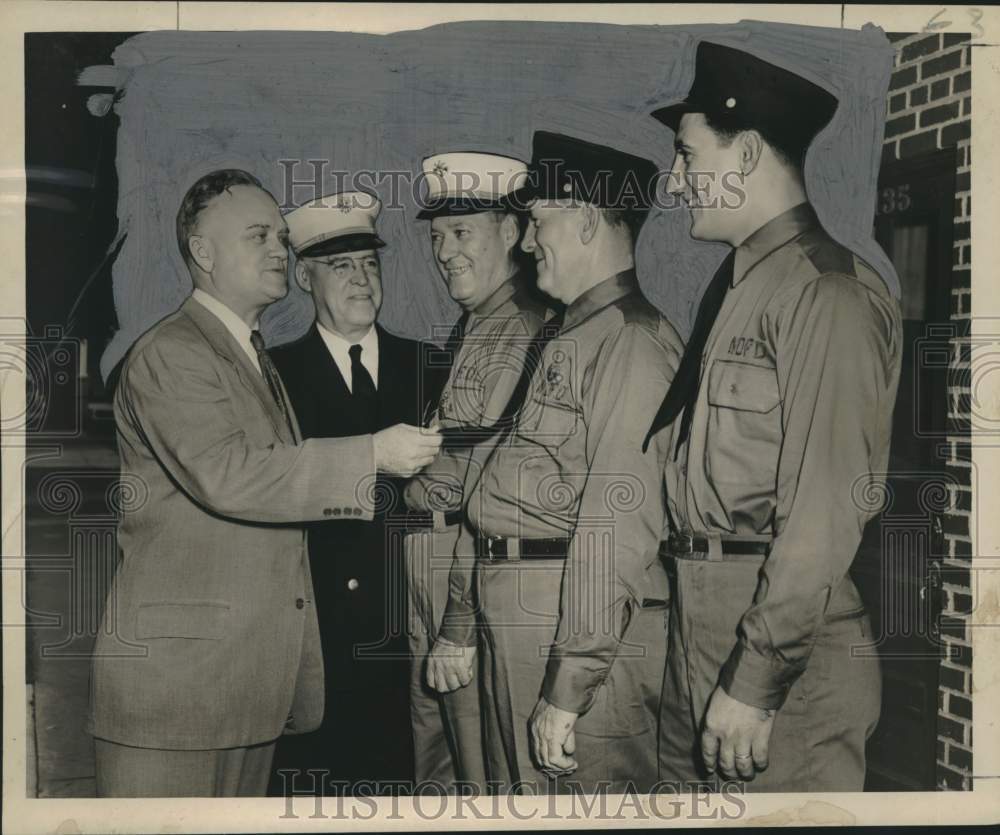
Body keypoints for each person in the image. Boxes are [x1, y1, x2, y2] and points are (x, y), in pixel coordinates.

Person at [88, 169, 442, 797]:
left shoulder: (247, 355)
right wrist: (372, 454)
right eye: (260, 236)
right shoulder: (175, 353)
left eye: (281, 237)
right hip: (182, 692)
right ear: (203, 253)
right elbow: (229, 475)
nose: (280, 251)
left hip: (244, 684)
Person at [646, 41, 902, 791]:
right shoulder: (741, 285)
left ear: (748, 152)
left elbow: (824, 516)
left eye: (688, 157)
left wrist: (755, 678)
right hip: (700, 632)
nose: (675, 180)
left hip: (784, 661)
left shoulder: (827, 295)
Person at [459, 132, 683, 793]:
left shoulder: (632, 343)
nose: (527, 244)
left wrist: (568, 683)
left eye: (537, 221)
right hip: (529, 620)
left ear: (587, 218)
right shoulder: (576, 333)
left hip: (573, 636)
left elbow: (619, 526)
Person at [266, 190, 444, 794]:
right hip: (318, 638)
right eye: (340, 267)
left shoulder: (431, 368)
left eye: (370, 263)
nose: (361, 279)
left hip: (410, 632)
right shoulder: (274, 376)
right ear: (303, 277)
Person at [403, 152, 552, 790]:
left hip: (461, 556)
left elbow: (489, 483)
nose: (445, 252)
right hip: (430, 551)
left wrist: (457, 618)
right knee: (437, 754)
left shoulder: (520, 326)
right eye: (437, 238)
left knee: (476, 766)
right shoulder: (477, 324)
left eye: (462, 233)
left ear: (513, 233)